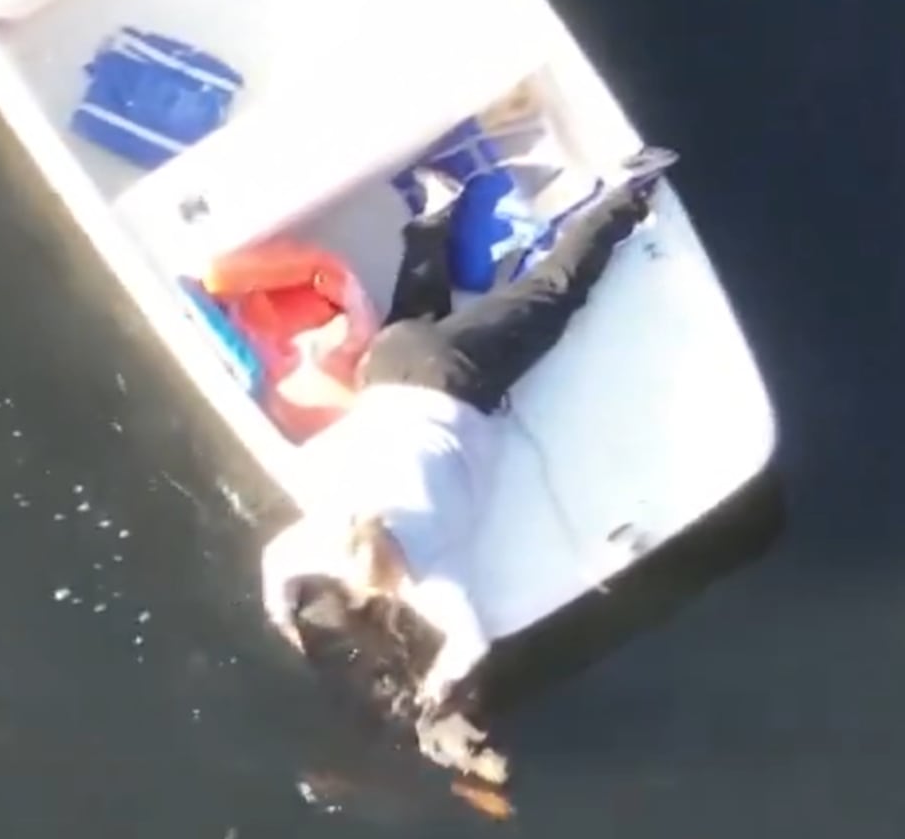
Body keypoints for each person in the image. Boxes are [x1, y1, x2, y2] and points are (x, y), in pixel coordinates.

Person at [260, 145, 680, 711]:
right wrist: (281, 613)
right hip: (386, 369)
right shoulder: (324, 532)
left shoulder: (433, 576)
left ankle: (632, 192)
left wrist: (436, 691)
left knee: (554, 291)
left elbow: (469, 646)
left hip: (458, 379)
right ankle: (434, 215)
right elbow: (275, 567)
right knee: (411, 323)